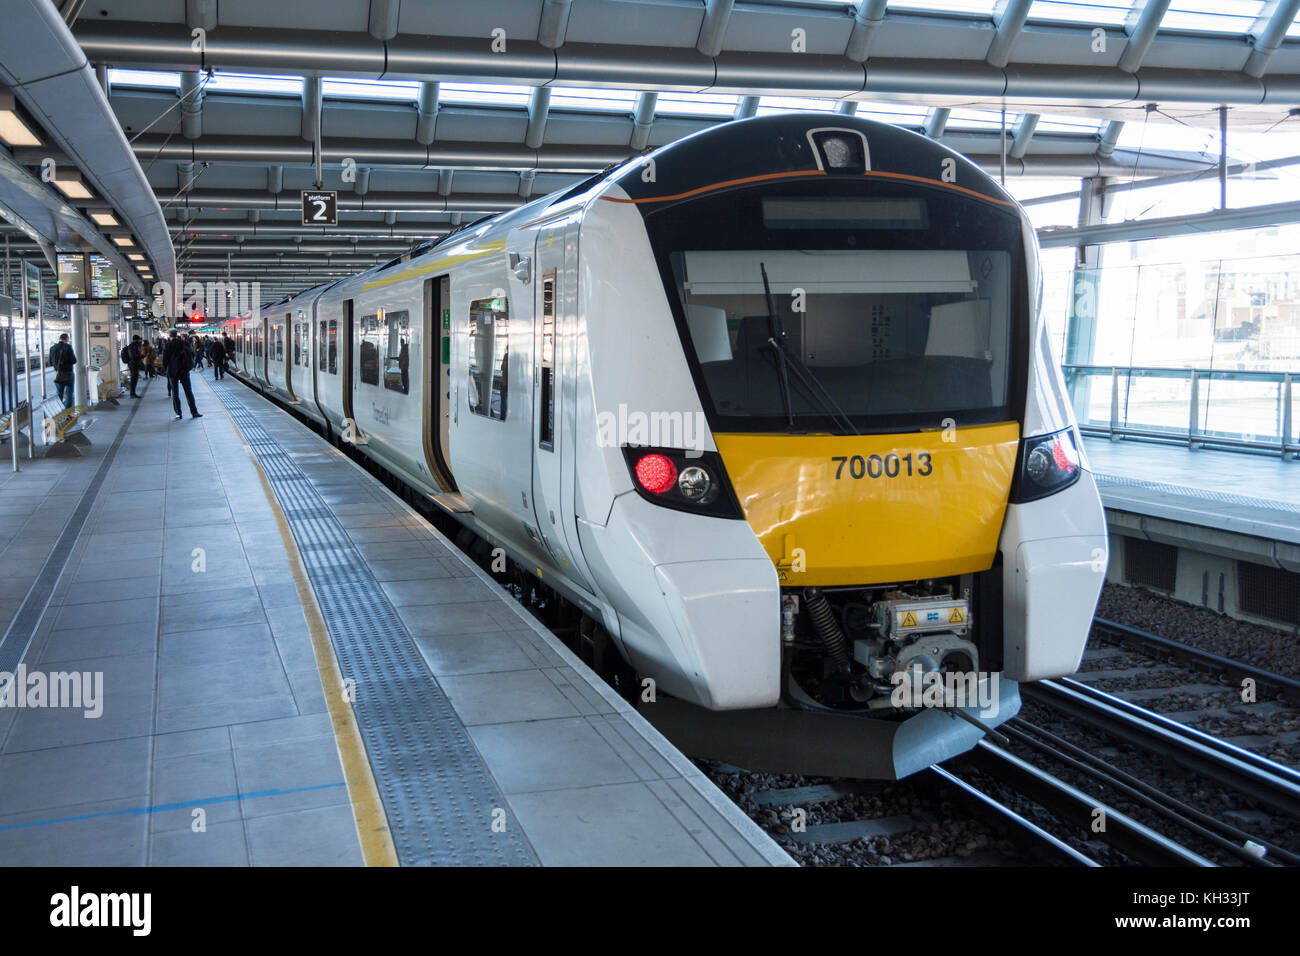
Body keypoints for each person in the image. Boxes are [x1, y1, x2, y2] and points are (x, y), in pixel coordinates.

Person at [163, 330, 202, 420]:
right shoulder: (184, 343)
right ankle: (194, 412)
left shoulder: (168, 345)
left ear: (170, 336)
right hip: (184, 370)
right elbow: (192, 354)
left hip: (172, 372)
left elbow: (165, 359)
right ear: (177, 335)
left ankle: (178, 413)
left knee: (175, 393)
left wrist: (166, 371)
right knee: (188, 392)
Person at [49, 333, 76, 409]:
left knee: (59, 393)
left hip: (58, 374)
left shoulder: (52, 348)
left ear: (60, 338)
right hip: (68, 373)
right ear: (67, 339)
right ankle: (68, 412)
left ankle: (59, 411)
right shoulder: (68, 347)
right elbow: (74, 360)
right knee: (69, 393)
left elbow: (51, 363)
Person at [123, 334, 143, 398]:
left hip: (135, 364)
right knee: (134, 379)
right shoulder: (132, 346)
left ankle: (133, 393)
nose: (140, 340)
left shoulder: (135, 345)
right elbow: (133, 356)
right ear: (136, 340)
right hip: (133, 364)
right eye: (139, 339)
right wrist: (142, 356)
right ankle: (132, 393)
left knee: (134, 378)